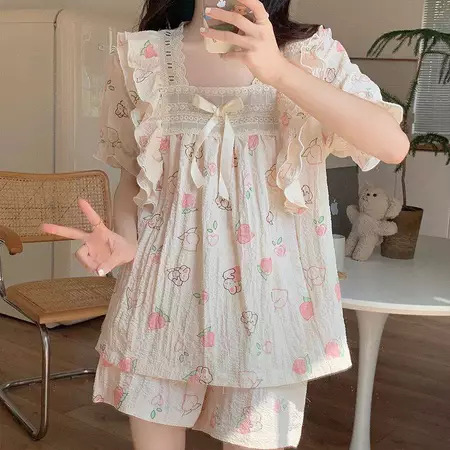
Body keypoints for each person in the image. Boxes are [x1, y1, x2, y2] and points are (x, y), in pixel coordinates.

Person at [41, 0, 408, 449]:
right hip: (160, 299)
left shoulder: (308, 54)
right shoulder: (142, 56)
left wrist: (278, 71)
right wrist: (126, 240)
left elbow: (391, 145)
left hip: (268, 306)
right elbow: (134, 175)